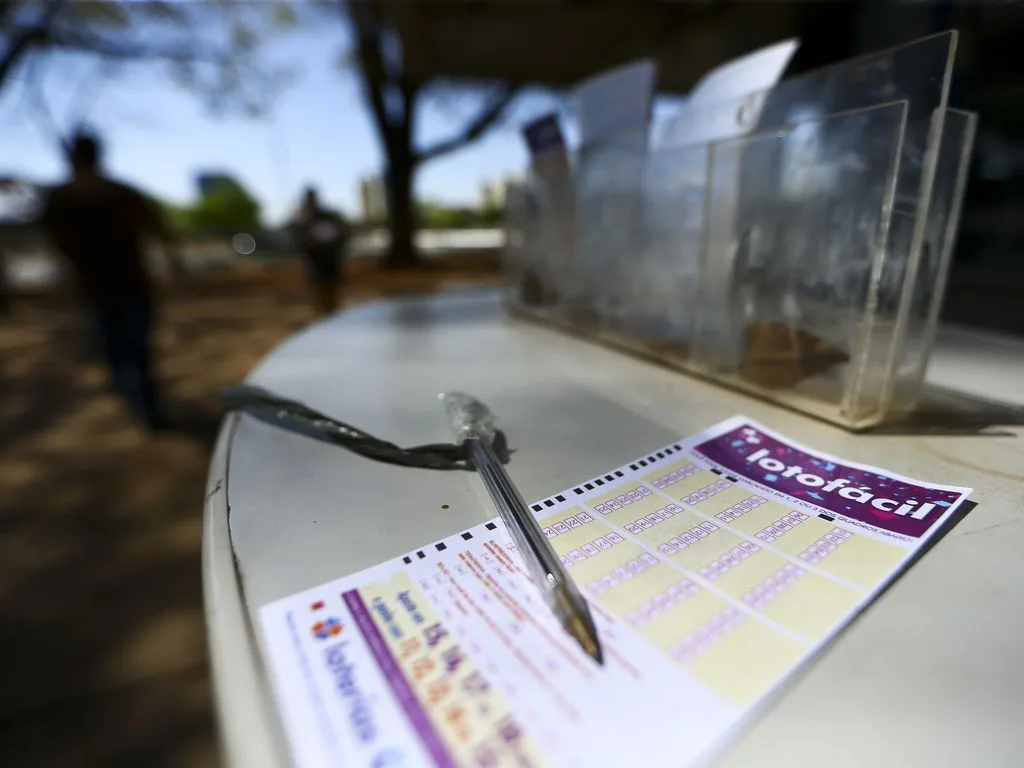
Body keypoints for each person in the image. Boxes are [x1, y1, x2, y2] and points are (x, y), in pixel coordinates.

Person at [39, 130, 184, 432]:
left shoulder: (76, 198)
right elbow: (160, 232)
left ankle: (144, 406)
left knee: (131, 350)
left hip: (120, 287)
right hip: (111, 288)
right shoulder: (67, 200)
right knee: (122, 350)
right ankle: (138, 399)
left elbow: (157, 230)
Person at [292, 187, 349, 318]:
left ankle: (332, 320)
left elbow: (341, 236)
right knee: (319, 297)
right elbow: (299, 244)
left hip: (330, 261)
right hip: (315, 264)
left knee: (332, 296)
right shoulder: (304, 220)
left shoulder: (327, 217)